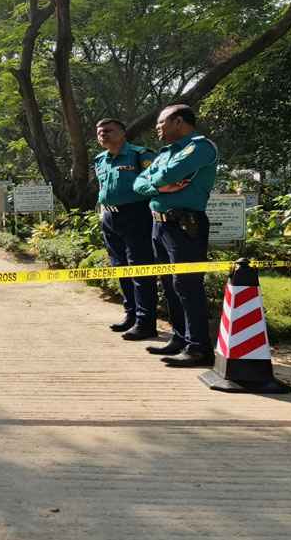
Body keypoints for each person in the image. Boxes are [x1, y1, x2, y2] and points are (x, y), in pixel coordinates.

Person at [133, 104, 219, 368]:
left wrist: (156, 183)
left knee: (187, 286)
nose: (158, 128)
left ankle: (198, 348)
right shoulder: (166, 152)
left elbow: (170, 174)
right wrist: (160, 186)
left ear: (179, 121)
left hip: (184, 225)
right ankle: (180, 338)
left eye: (161, 123)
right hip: (159, 226)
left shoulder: (200, 147)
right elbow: (138, 184)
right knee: (170, 286)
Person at [93, 118, 158, 341]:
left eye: (108, 130)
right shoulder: (100, 160)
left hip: (137, 215)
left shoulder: (140, 155)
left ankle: (146, 322)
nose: (103, 134)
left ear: (122, 133)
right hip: (110, 217)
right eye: (100, 132)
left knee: (139, 269)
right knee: (120, 268)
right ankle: (130, 315)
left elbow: (155, 183)